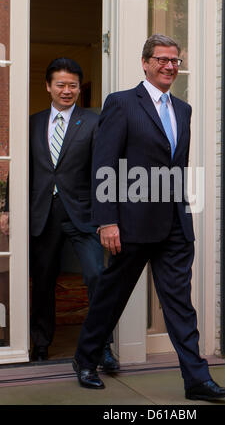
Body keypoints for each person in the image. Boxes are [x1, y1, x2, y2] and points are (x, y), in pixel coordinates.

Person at [73, 35, 225, 400]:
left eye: (175, 60)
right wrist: (107, 220)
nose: (169, 66)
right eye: (162, 59)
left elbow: (176, 168)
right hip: (129, 224)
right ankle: (85, 358)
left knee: (179, 302)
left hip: (174, 225)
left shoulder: (184, 110)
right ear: (145, 63)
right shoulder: (121, 104)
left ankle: (197, 380)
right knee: (111, 297)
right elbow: (104, 164)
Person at [29, 57, 119, 372]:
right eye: (61, 85)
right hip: (42, 213)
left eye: (73, 85)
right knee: (42, 281)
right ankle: (41, 344)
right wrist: (11, 209)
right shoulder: (32, 122)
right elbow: (22, 171)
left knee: (96, 276)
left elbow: (104, 170)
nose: (67, 91)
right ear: (48, 86)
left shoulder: (93, 122)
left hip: (84, 213)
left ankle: (102, 347)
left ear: (79, 88)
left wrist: (109, 215)